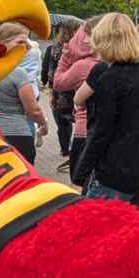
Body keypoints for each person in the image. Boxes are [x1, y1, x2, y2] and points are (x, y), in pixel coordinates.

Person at [74, 13, 139, 205]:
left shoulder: (110, 78)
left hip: (116, 173)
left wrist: (80, 174)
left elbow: (100, 132)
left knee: (98, 230)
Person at [0, 23, 49, 164]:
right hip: (16, 135)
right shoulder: (18, 74)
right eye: (21, 42)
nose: (28, 46)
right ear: (2, 43)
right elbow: (33, 110)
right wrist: (44, 124)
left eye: (27, 42)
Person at [53, 18, 99, 181]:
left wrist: (66, 53)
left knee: (81, 183)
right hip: (112, 135)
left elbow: (58, 83)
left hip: (84, 131)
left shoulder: (84, 66)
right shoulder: (121, 64)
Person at [43, 18, 81, 161]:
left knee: (62, 123)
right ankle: (77, 148)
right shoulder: (82, 49)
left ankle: (65, 150)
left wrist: (50, 89)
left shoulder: (53, 49)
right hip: (78, 89)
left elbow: (49, 72)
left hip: (60, 92)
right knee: (81, 120)